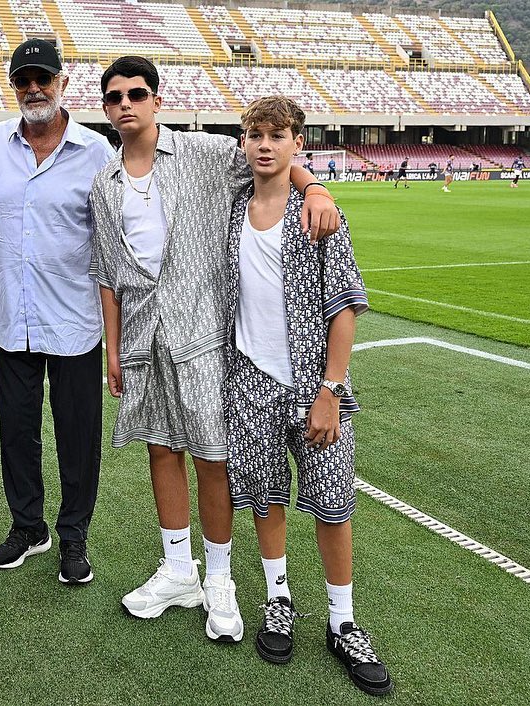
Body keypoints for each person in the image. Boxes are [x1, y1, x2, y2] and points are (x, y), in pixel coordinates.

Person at [88, 57, 339, 640]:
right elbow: (106, 268)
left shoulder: (202, 152)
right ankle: (179, 570)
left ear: (156, 100)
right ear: (106, 108)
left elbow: (269, 163)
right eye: (116, 96)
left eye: (137, 93)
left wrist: (315, 186)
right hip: (141, 337)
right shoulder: (103, 181)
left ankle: (220, 580)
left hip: (201, 333)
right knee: (159, 449)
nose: (127, 103)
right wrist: (112, 345)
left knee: (212, 456)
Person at [223, 95, 391, 696]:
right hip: (248, 381)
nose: (264, 145)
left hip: (313, 384)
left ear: (298, 142)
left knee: (333, 505)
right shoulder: (233, 205)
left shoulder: (317, 214)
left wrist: (332, 387)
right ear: (243, 141)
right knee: (265, 499)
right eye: (254, 134)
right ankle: (277, 599)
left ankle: (342, 621)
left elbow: (345, 306)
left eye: (277, 135)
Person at [0, 38, 115, 585]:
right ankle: (28, 526)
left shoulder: (96, 151)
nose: (34, 88)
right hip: (12, 314)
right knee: (16, 431)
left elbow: (114, 231)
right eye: (23, 80)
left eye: (43, 78)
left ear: (62, 82)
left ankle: (74, 536)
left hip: (75, 318)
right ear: (14, 86)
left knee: (77, 435)